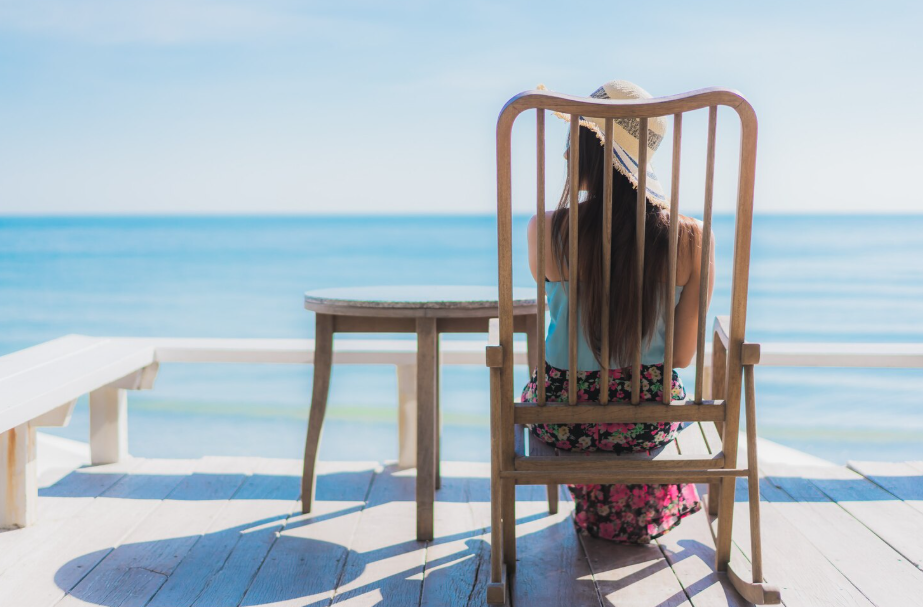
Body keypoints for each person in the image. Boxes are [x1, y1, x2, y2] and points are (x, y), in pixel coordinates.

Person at [523, 80, 715, 543]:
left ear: (593, 149)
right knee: (649, 399)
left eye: (574, 141)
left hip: (563, 419)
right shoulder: (690, 238)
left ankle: (604, 512)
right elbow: (684, 356)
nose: (567, 156)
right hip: (645, 422)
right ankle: (628, 514)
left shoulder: (547, 230)